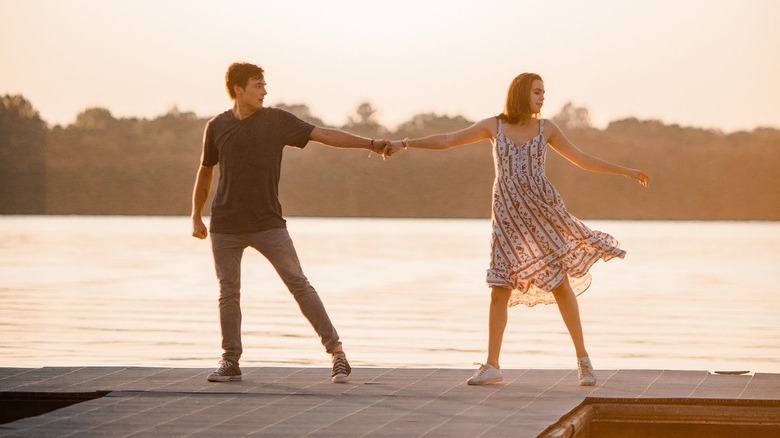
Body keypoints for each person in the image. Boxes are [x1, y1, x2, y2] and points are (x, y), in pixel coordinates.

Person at [384, 73, 649, 386]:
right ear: (522, 93)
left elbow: (581, 159)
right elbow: (446, 140)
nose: (542, 97)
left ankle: (584, 362)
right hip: (507, 217)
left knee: (560, 285)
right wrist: (404, 143)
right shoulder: (492, 126)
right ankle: (492, 365)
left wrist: (625, 171)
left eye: (544, 92)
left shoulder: (546, 128)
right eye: (537, 92)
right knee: (500, 287)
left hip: (543, 212)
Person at [191, 62, 388, 383]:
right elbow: (206, 170)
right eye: (258, 85)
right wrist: (196, 214)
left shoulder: (277, 121)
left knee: (299, 284)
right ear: (238, 89)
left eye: (264, 85)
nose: (264, 91)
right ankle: (230, 361)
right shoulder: (216, 126)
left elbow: (325, 135)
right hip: (225, 224)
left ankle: (337, 353)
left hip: (268, 223)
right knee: (228, 292)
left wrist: (370, 143)